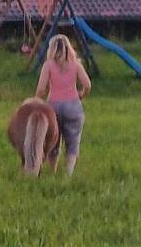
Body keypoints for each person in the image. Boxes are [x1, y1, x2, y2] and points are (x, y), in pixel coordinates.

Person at [35, 34, 92, 175]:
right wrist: (81, 94)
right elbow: (88, 85)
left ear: (52, 49)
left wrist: (37, 101)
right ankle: (68, 174)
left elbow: (41, 89)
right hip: (73, 106)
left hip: (53, 107)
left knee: (53, 140)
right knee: (73, 141)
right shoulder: (76, 64)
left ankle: (53, 171)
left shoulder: (48, 65)